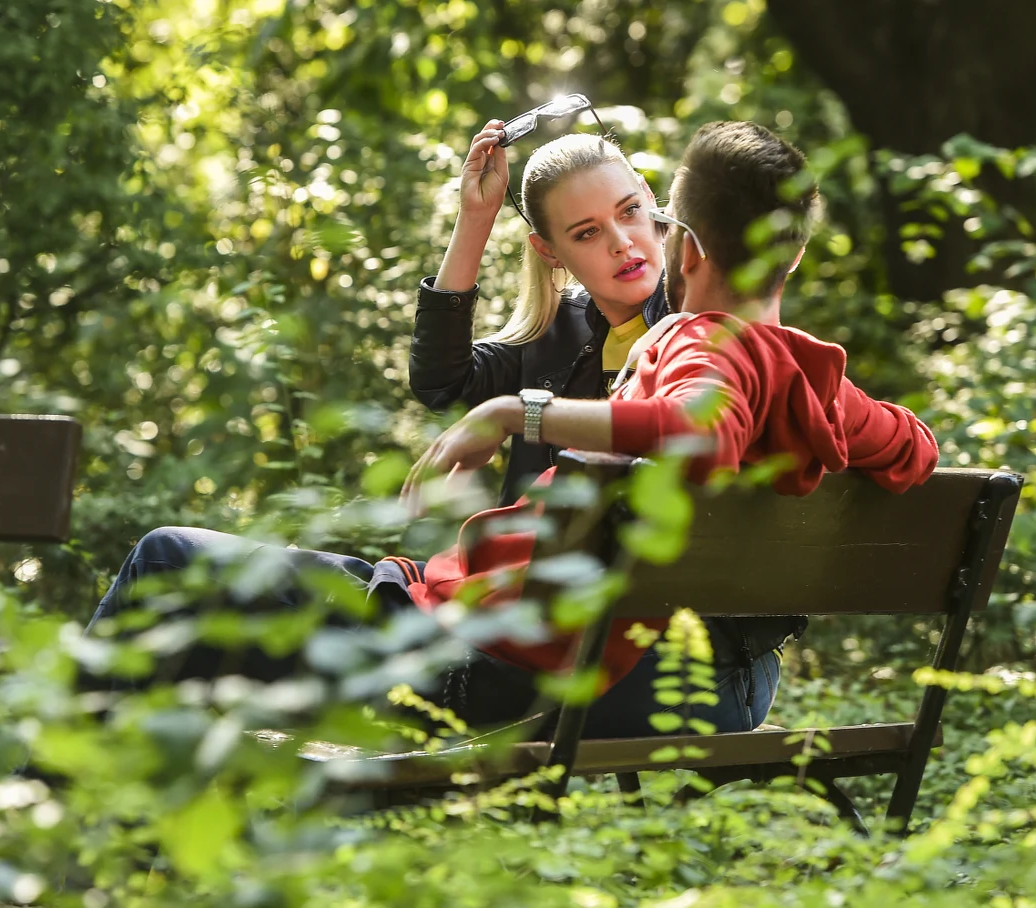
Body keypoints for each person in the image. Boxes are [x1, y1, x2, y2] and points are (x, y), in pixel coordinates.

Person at [87, 121, 939, 739]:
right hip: (723, 684)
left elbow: (697, 429)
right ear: (793, 257)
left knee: (168, 560)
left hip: (547, 668)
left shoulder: (690, 341)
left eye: (639, 218)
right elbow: (917, 448)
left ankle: (28, 809)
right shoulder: (811, 375)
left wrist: (515, 411)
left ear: (683, 249)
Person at [409, 116, 670, 509]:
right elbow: (444, 385)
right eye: (588, 232)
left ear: (650, 199)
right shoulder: (555, 334)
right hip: (526, 560)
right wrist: (476, 218)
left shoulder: (705, 328)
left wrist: (516, 414)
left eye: (629, 210)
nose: (621, 243)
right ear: (548, 251)